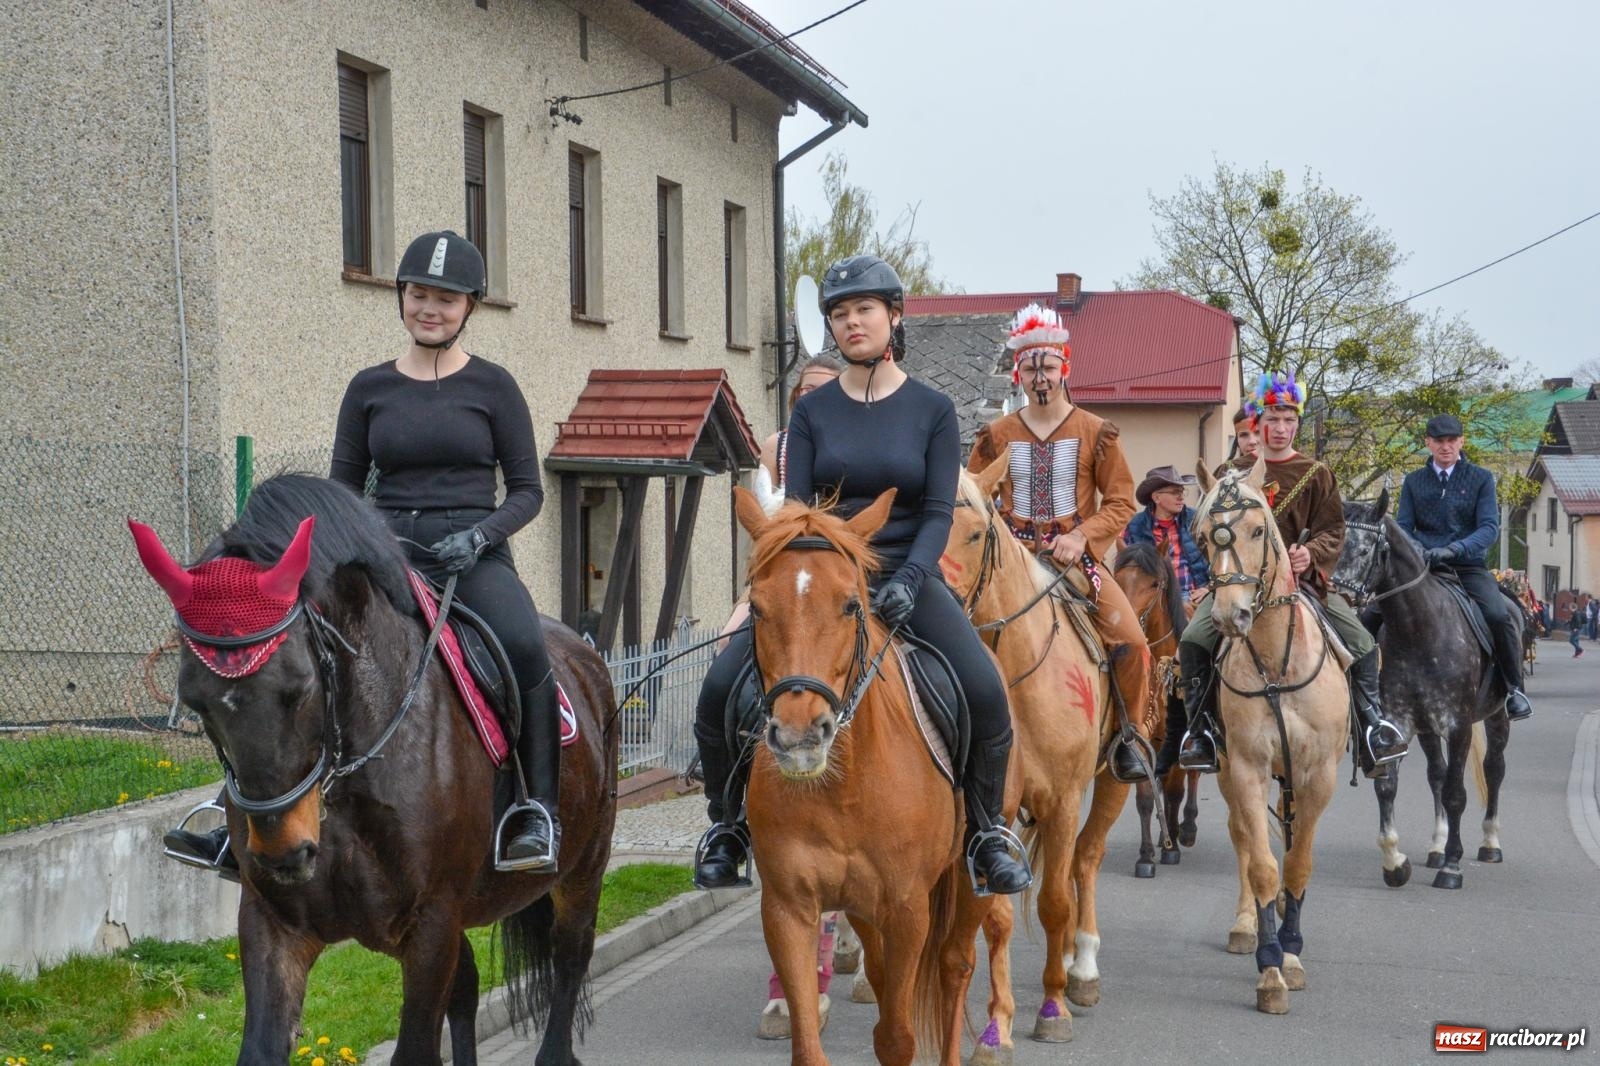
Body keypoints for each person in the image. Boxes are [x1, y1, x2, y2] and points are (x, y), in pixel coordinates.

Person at [692, 255, 1033, 897]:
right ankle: (726, 828)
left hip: (908, 574)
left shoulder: (932, 409)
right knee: (717, 691)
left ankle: (987, 833)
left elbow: (937, 509)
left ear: (893, 317)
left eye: (864, 311)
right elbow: (797, 511)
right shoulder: (814, 413)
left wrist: (910, 575)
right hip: (824, 580)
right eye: (841, 315)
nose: (852, 323)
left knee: (986, 691)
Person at [1155, 371, 1408, 778]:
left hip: (1302, 586)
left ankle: (1371, 729)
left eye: (1289, 420)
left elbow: (1334, 530)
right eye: (1272, 420)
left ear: (1297, 424)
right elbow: (1205, 530)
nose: (1280, 428)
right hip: (1239, 586)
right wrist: (1221, 573)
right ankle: (1199, 730)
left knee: (1361, 642)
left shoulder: (1316, 472)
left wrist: (1310, 553)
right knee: (1193, 639)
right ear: (1257, 425)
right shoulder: (1229, 473)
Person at [966, 304, 1153, 782]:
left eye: (1048, 367)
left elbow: (1119, 502)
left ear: (1065, 368)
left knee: (1132, 641)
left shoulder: (1097, 432)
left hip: (1076, 566)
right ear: (1018, 373)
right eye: (1030, 368)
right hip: (1008, 563)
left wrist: (1080, 536)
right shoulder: (995, 435)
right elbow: (969, 497)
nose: (1040, 377)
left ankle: (1129, 736)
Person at [1396, 414, 1534, 718]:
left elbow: (1488, 528)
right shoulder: (1413, 482)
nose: (1446, 447)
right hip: (1424, 566)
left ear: (1461, 441)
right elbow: (1403, 527)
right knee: (1374, 613)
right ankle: (1367, 693)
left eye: (1451, 440)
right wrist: (1422, 550)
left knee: (1499, 615)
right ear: (1428, 443)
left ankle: (1514, 688)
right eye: (1439, 441)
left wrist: (1455, 548)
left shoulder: (1481, 478)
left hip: (1467, 566)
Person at [1124, 464, 1211, 606]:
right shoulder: (1135, 526)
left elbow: (1219, 560)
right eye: (1175, 492)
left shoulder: (1197, 520)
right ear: (1156, 497)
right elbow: (1128, 571)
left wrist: (1208, 589)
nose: (1181, 497)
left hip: (1196, 597)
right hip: (1154, 601)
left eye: (1182, 492)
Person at [1215, 406, 1262, 476]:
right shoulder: (1226, 471)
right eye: (1244, 435)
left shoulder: (1282, 470)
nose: (1252, 441)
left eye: (1258, 432)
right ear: (1237, 440)